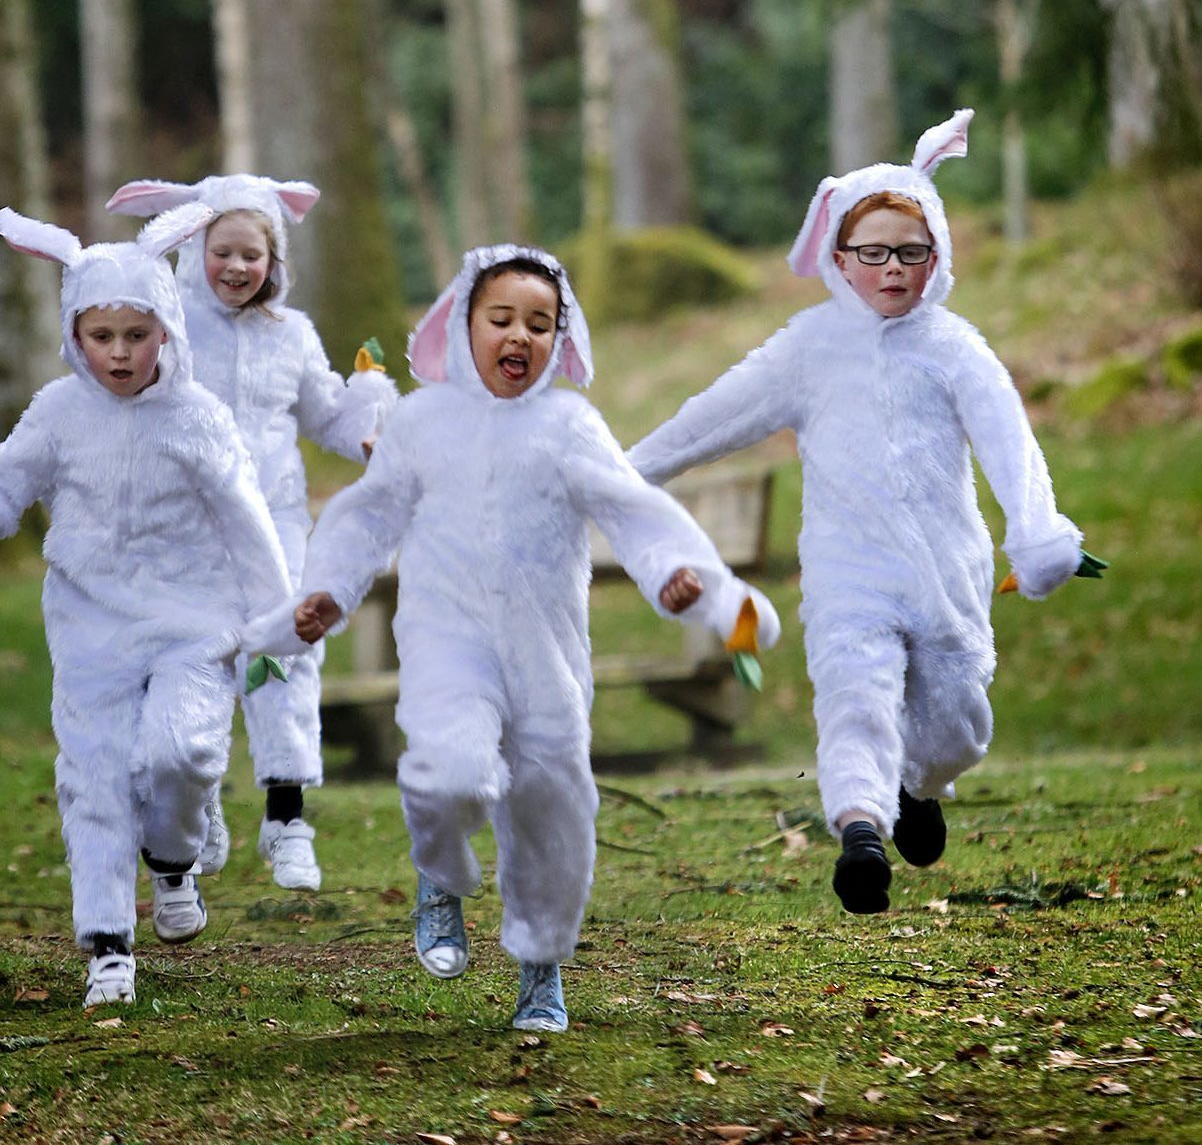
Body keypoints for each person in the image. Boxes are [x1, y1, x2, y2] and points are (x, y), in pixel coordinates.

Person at [287, 245, 779, 1031]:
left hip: (545, 653)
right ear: (463, 326)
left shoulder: (569, 426)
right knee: (448, 772)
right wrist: (327, 589)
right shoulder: (421, 422)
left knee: (551, 806)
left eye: (540, 324)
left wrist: (676, 576)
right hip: (448, 639)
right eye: (502, 319)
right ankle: (440, 875)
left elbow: (632, 509)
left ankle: (540, 965)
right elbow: (369, 512)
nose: (520, 336)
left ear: (561, 339)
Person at [627, 109, 1091, 915]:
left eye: (911, 252)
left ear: (936, 256)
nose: (892, 268)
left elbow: (1010, 444)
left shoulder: (955, 349)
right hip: (849, 573)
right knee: (855, 696)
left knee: (956, 726)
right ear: (839, 259)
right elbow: (715, 414)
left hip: (949, 573)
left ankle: (922, 785)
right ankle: (861, 832)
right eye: (872, 252)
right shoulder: (809, 348)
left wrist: (1039, 532)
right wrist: (625, 473)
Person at [0, 204, 292, 1006]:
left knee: (180, 755)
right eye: (101, 336)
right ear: (74, 335)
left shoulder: (198, 417)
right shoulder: (59, 413)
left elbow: (246, 517)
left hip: (194, 618)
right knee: (95, 777)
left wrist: (277, 618)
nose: (119, 354)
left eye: (137, 333)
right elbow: (0, 473)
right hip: (91, 626)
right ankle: (108, 944)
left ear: (168, 330)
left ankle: (174, 856)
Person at [106, 175, 397, 893]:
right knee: (194, 665)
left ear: (274, 263)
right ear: (197, 248)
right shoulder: (170, 330)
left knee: (288, 654)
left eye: (253, 256)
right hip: (189, 530)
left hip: (278, 523)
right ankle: (199, 806)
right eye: (223, 252)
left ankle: (287, 816)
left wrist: (367, 421)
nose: (237, 268)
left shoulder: (290, 336)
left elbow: (325, 414)